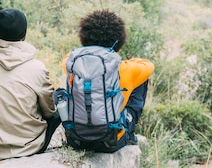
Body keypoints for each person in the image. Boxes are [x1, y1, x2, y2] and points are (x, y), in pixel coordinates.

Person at [62, 9, 154, 151]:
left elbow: (69, 55)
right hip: (112, 141)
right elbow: (149, 66)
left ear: (84, 37)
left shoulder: (71, 62)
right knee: (141, 82)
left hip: (77, 139)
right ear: (119, 39)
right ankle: (128, 133)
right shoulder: (128, 69)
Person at [0, 8, 61, 160]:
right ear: (24, 33)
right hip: (29, 145)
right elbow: (49, 112)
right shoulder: (37, 68)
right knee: (59, 97)